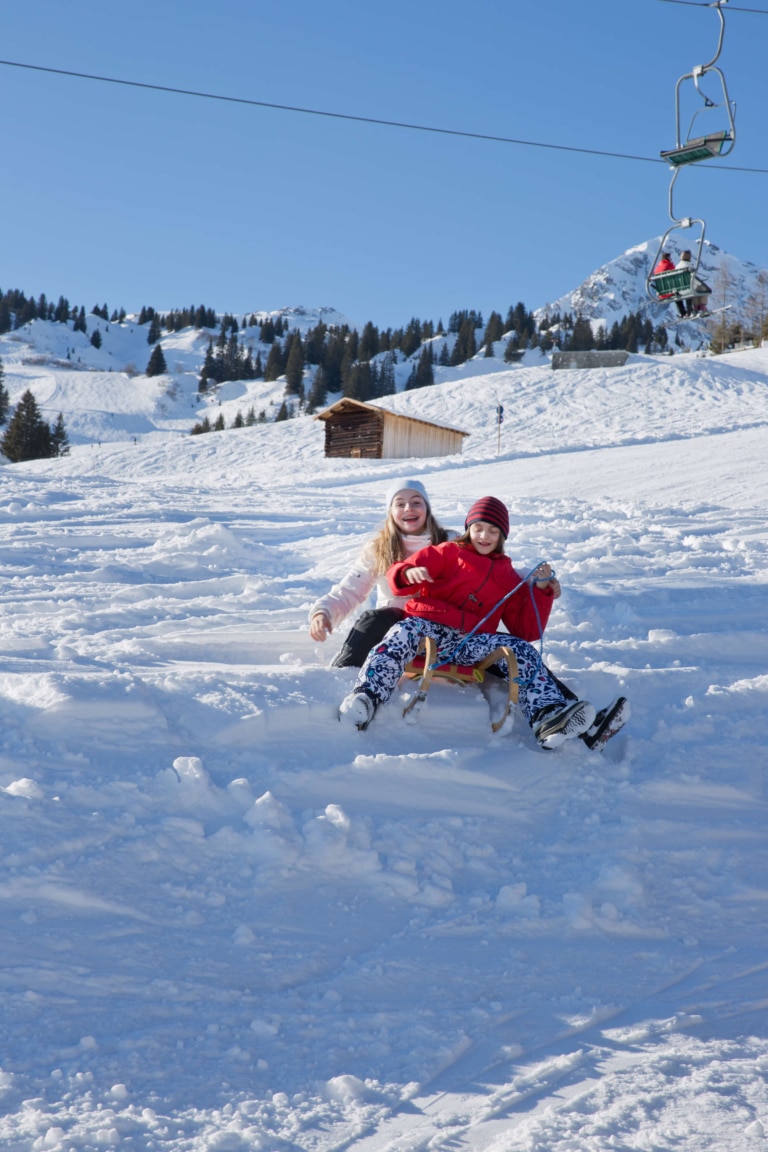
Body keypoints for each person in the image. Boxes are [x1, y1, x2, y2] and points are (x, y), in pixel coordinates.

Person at [338, 496, 601, 750]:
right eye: (478, 529)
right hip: (428, 626)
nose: (484, 536)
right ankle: (367, 697)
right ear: (469, 529)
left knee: (519, 649)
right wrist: (408, 572)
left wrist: (541, 589)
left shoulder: (506, 575)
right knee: (399, 635)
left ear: (502, 537)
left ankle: (547, 717)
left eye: (492, 531)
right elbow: (400, 573)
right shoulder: (447, 552)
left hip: (470, 642)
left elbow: (526, 630)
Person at [309, 479, 452, 668]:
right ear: (391, 512)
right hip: (389, 629)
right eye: (400, 504)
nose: (409, 508)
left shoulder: (450, 542)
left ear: (427, 508)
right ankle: (345, 671)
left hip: (438, 627)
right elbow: (351, 589)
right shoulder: (379, 549)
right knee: (374, 618)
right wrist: (322, 612)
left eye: (417, 502)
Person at [676, 250, 711, 316]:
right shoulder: (689, 266)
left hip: (680, 289)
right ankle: (701, 307)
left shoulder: (677, 266)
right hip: (688, 288)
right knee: (702, 288)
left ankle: (696, 307)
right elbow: (693, 279)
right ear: (689, 257)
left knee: (695, 289)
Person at [654, 251, 687, 318]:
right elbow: (676, 273)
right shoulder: (669, 265)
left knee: (676, 294)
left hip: (662, 292)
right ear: (668, 258)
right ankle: (684, 312)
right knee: (678, 293)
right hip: (669, 291)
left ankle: (682, 313)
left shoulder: (657, 268)